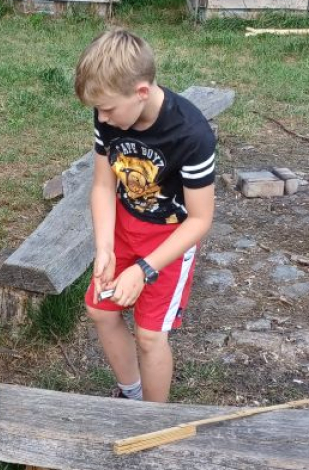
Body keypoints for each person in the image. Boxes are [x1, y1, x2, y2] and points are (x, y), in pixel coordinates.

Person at [74, 29, 216, 402]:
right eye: (98, 109)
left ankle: (154, 421)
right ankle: (131, 394)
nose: (102, 117)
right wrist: (105, 247)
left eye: (108, 109)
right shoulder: (110, 113)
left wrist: (144, 269)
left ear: (140, 92)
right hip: (123, 226)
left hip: (169, 239)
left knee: (151, 335)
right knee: (100, 310)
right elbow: (104, 187)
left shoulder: (192, 134)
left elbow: (200, 220)